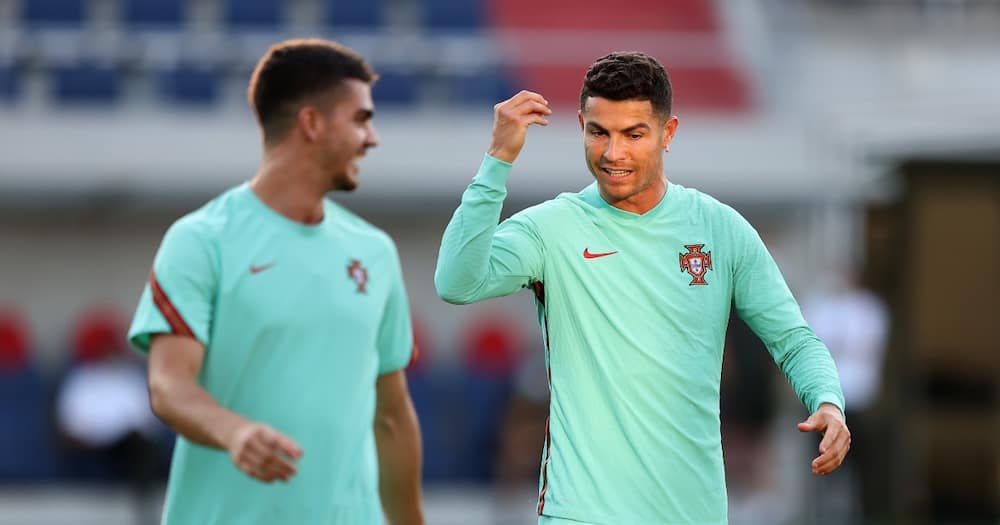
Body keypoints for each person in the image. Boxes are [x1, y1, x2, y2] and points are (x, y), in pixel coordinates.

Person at [434, 51, 850, 525]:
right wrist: (497, 161)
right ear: (581, 126)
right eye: (599, 133)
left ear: (668, 133)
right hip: (582, 512)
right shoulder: (553, 228)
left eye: (633, 134)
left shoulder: (720, 229)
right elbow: (455, 282)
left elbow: (793, 339)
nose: (614, 153)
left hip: (692, 512)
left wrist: (828, 401)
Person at [127, 39, 424, 525]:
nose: (372, 138)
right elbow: (167, 385)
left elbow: (391, 417)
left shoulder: (375, 252)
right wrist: (234, 432)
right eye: (361, 119)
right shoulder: (201, 241)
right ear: (312, 123)